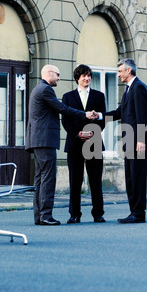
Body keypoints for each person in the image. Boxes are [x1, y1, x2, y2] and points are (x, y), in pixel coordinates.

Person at [25, 64, 97, 225]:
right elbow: (62, 108)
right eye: (57, 74)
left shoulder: (38, 89)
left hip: (38, 140)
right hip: (44, 140)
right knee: (48, 178)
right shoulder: (45, 90)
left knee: (40, 178)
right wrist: (84, 114)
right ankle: (46, 215)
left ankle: (39, 216)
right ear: (49, 73)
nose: (59, 77)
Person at [101, 58, 147, 223]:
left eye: (120, 71)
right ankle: (134, 212)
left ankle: (138, 214)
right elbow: (120, 112)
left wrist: (141, 139)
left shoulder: (138, 87)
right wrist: (99, 116)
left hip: (138, 142)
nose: (118, 75)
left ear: (128, 71)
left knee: (137, 177)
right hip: (130, 140)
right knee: (131, 177)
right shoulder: (129, 89)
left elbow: (142, 115)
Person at [62, 64, 106, 224]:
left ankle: (98, 214)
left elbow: (102, 120)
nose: (87, 79)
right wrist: (77, 133)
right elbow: (65, 120)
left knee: (96, 180)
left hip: (94, 142)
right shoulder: (68, 97)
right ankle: (74, 214)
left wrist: (92, 133)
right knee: (75, 180)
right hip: (74, 143)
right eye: (84, 76)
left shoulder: (99, 96)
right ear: (77, 78)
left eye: (89, 76)